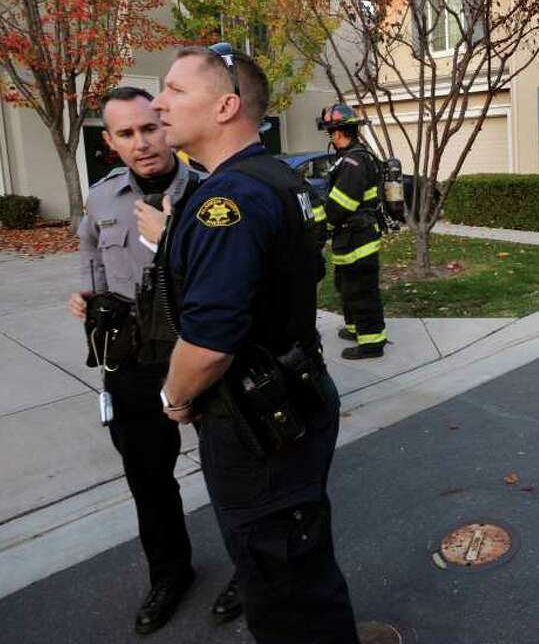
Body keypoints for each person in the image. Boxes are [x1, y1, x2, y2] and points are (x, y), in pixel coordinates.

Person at [151, 43, 359, 643]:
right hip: (294, 397)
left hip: (258, 422)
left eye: (175, 90)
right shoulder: (277, 178)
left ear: (226, 106)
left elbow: (212, 342)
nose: (161, 103)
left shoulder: (229, 200)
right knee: (303, 570)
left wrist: (175, 394)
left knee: (284, 589)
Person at [71, 86, 241, 635]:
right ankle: (171, 573)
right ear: (111, 143)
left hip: (199, 348)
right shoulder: (101, 198)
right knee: (147, 475)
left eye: (150, 127)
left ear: (167, 126)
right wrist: (88, 299)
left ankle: (250, 567)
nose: (142, 143)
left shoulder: (211, 193)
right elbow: (91, 255)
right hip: (133, 356)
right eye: (126, 134)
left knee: (230, 465)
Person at [314, 103, 387, 360]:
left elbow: (341, 205)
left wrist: (320, 226)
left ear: (339, 133)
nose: (331, 138)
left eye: (331, 132)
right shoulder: (353, 158)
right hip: (351, 239)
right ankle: (356, 328)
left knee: (361, 291)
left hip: (358, 239)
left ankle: (371, 343)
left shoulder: (353, 162)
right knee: (346, 286)